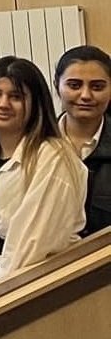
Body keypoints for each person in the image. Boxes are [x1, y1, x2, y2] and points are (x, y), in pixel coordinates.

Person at [0, 58, 86, 296]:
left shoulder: (53, 157)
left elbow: (31, 242)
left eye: (16, 96)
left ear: (35, 104)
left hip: (29, 293)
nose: (3, 104)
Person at [54, 45, 111, 235]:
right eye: (74, 85)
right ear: (57, 86)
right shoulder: (34, 143)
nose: (85, 95)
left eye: (97, 87)